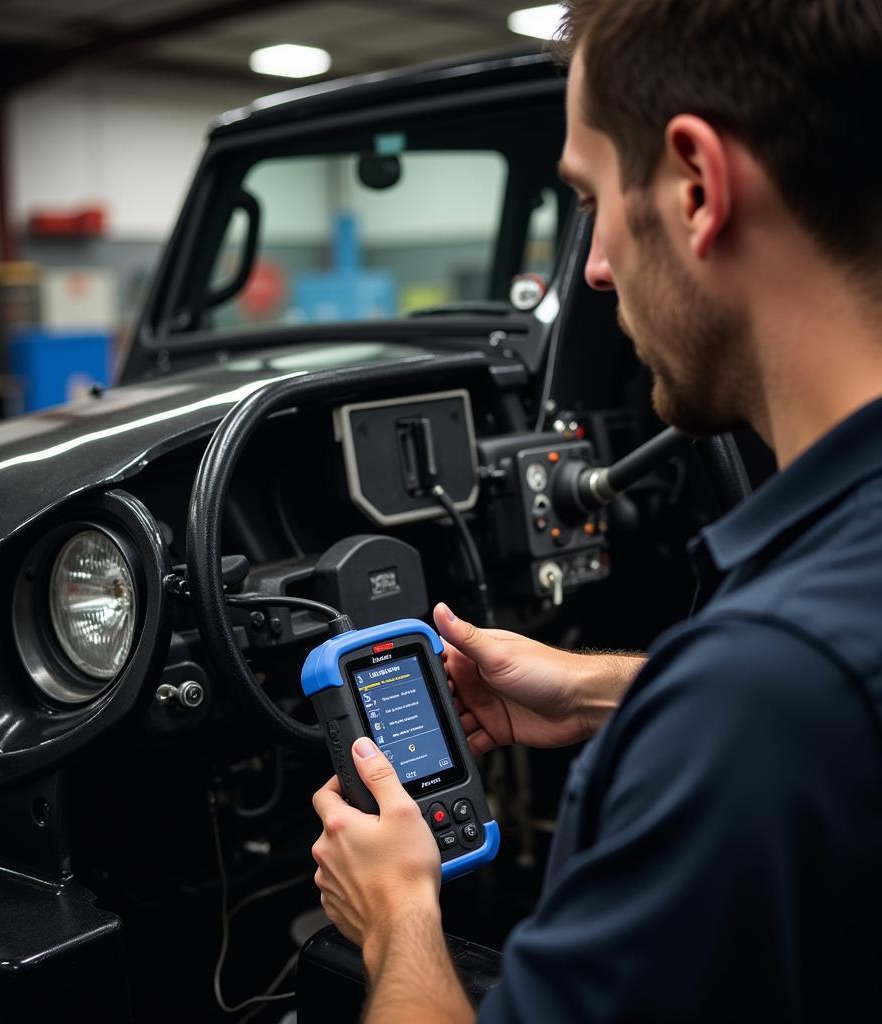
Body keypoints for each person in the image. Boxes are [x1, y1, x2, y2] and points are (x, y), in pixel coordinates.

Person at [310, 2, 882, 1020]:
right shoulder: (790, 662)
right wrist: (610, 693)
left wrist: (396, 911)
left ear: (698, 187)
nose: (598, 268)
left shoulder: (758, 697)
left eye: (590, 203)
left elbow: (784, 701)